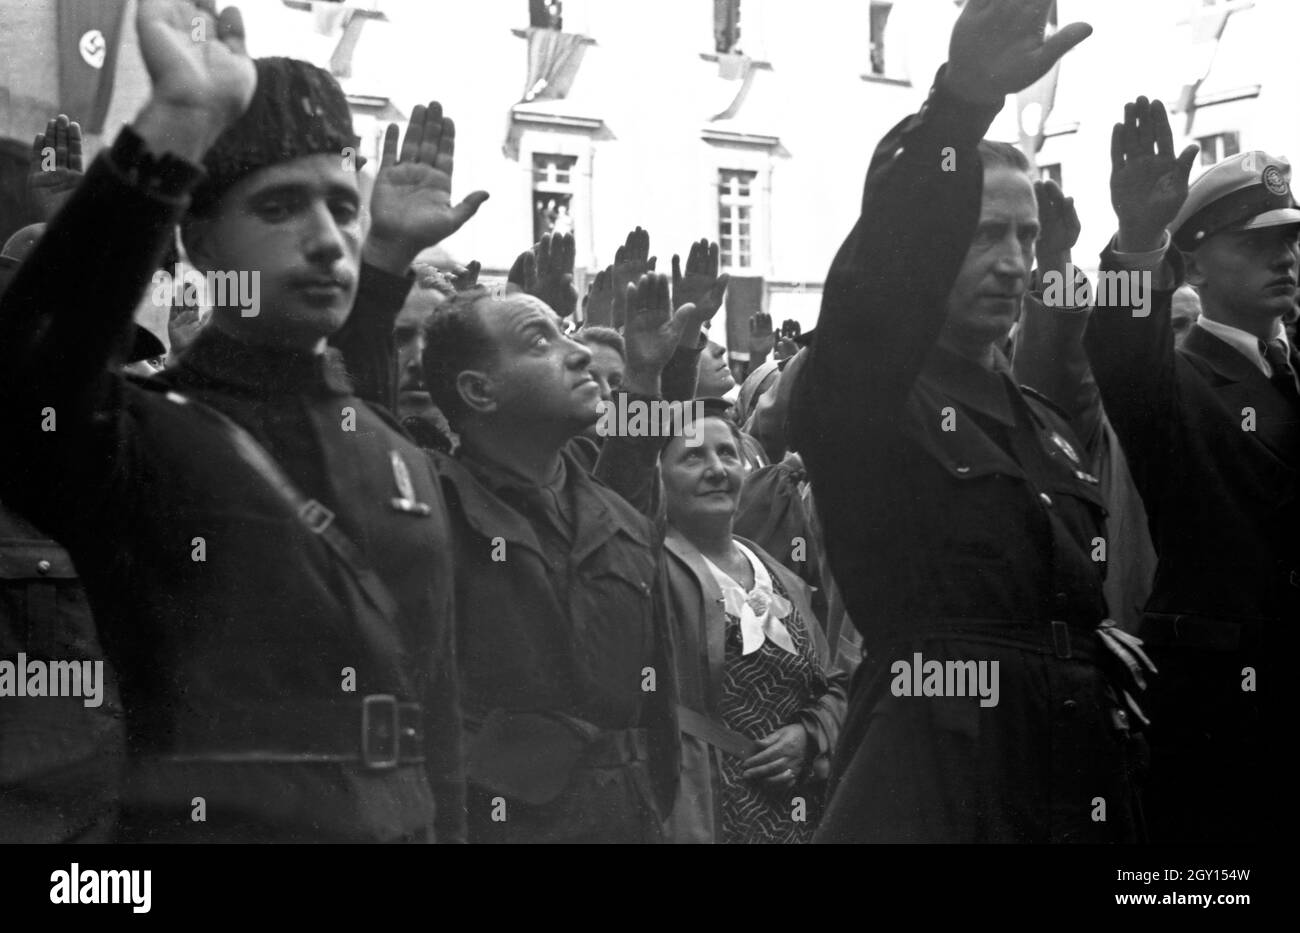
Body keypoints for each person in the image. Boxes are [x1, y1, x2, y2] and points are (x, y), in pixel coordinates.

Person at [0, 1, 481, 842]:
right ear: (201, 245)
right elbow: (27, 377)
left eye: (342, 205)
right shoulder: (140, 435)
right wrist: (174, 129)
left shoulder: (396, 455)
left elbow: (433, 729)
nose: (328, 237)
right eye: (280, 207)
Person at [792, 0, 1148, 843]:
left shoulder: (1042, 422)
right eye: (986, 234)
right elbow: (879, 289)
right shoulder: (867, 394)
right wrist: (961, 107)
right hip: (938, 782)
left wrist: (1081, 647)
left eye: (1027, 237)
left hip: (1063, 777)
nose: (1017, 262)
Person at [416, 273, 702, 843]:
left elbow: (659, 707)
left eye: (563, 333)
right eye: (539, 341)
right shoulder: (427, 505)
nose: (578, 355)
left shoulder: (621, 517)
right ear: (478, 391)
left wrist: (647, 375)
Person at [1084, 107, 1300, 844]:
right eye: (1259, 242)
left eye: (1293, 240)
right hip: (1224, 724)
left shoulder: (1289, 375)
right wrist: (1142, 244)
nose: (1287, 258)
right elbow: (1119, 355)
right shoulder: (1178, 380)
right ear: (1196, 264)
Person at [660, 402, 848, 844]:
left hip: (797, 815)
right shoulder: (648, 569)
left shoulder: (781, 576)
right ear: (658, 477)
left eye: (726, 453)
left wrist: (808, 734)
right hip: (697, 814)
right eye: (692, 457)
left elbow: (835, 685)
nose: (716, 469)